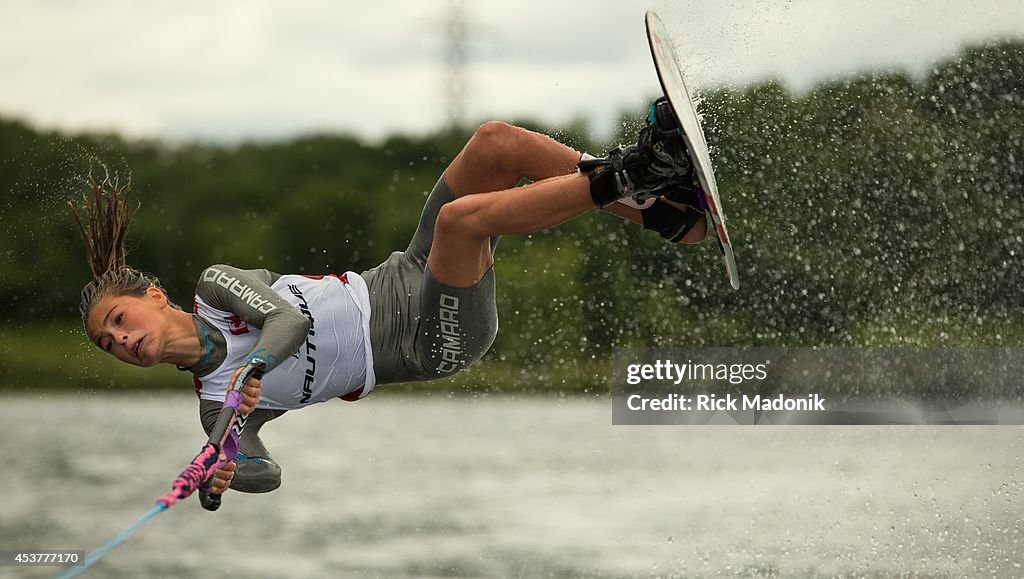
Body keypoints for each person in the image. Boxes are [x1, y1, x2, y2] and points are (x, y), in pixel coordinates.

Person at [73, 98, 708, 501]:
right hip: (430, 339)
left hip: (402, 273)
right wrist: (225, 467)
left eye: (119, 321)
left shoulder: (216, 290)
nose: (121, 341)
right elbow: (267, 475)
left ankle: (660, 212)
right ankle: (633, 172)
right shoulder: (219, 410)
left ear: (153, 298)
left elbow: (286, 320)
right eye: (110, 344)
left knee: (494, 142)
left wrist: (253, 370)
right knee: (463, 222)